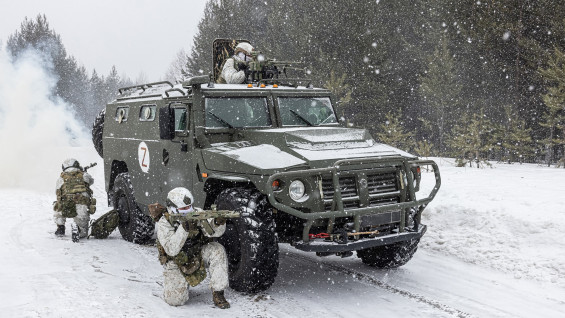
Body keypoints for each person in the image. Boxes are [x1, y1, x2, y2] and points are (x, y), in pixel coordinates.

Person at [151, 187, 230, 309]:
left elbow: (213, 233)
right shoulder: (164, 222)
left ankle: (218, 292)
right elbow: (171, 249)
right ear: (173, 209)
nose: (189, 210)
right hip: (176, 261)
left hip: (197, 253)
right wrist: (184, 229)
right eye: (184, 209)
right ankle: (180, 283)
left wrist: (217, 223)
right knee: (175, 301)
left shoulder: (197, 212)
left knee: (217, 249)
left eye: (190, 207)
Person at [53, 158, 95, 239]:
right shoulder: (84, 175)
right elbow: (91, 181)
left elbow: (57, 191)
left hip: (66, 205)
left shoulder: (61, 178)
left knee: (57, 206)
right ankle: (78, 230)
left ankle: (60, 228)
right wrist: (85, 172)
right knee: (83, 232)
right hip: (81, 204)